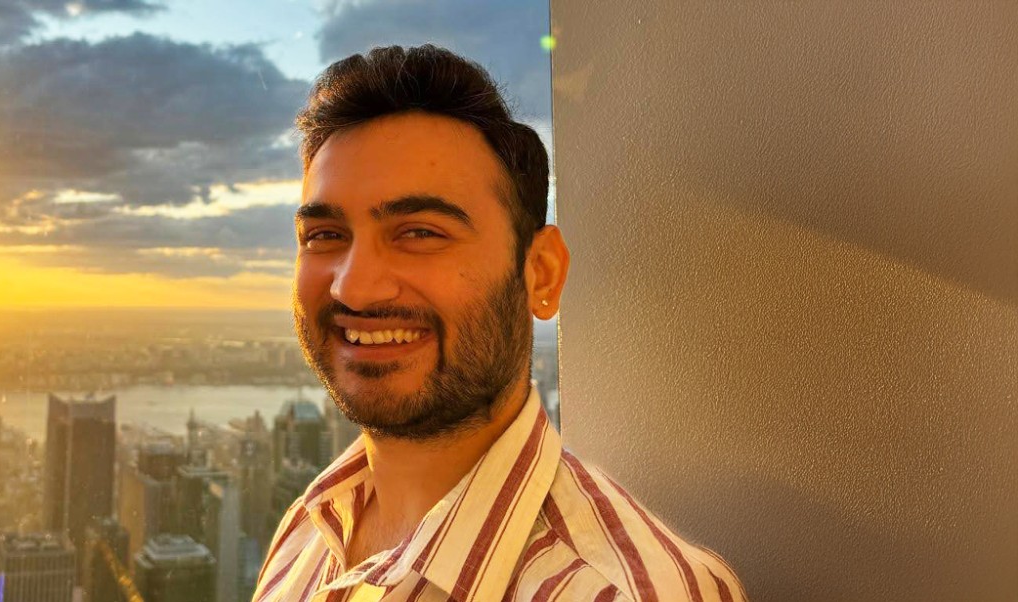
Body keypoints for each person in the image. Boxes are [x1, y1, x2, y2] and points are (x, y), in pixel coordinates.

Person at [255, 45, 746, 602]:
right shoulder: (306, 533)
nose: (354, 287)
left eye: (420, 232)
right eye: (324, 236)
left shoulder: (623, 593)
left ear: (540, 274)